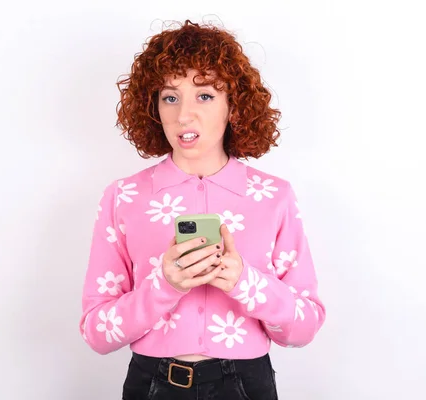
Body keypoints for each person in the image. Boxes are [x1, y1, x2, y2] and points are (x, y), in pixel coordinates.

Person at [79, 20, 325, 400]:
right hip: (152, 384)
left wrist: (246, 282)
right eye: (170, 97)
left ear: (234, 106)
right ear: (153, 105)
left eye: (205, 96)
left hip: (247, 383)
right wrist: (164, 286)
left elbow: (304, 327)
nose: (184, 115)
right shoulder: (124, 196)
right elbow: (96, 332)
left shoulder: (274, 196)